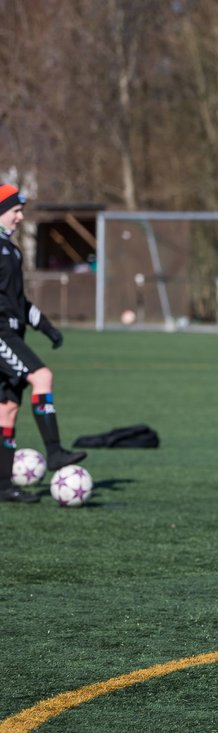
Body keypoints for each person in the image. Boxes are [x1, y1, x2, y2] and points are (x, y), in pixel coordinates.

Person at [0, 184, 87, 503]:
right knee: (42, 376)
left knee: (7, 410)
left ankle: (3, 486)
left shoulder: (12, 251)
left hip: (13, 333)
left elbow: (19, 302)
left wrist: (47, 328)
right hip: (0, 336)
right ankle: (54, 453)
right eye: (15, 211)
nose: (20, 217)